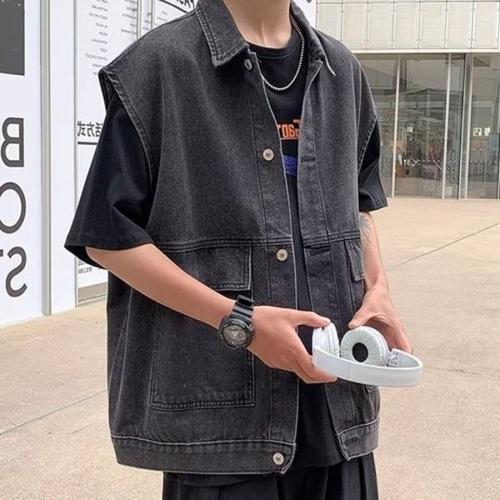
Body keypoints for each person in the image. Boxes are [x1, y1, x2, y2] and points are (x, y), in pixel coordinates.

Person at [64, 0, 412, 498]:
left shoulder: (342, 72)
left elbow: (358, 203)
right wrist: (240, 322)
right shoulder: (158, 67)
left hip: (338, 416)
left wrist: (379, 289)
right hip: (222, 430)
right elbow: (108, 237)